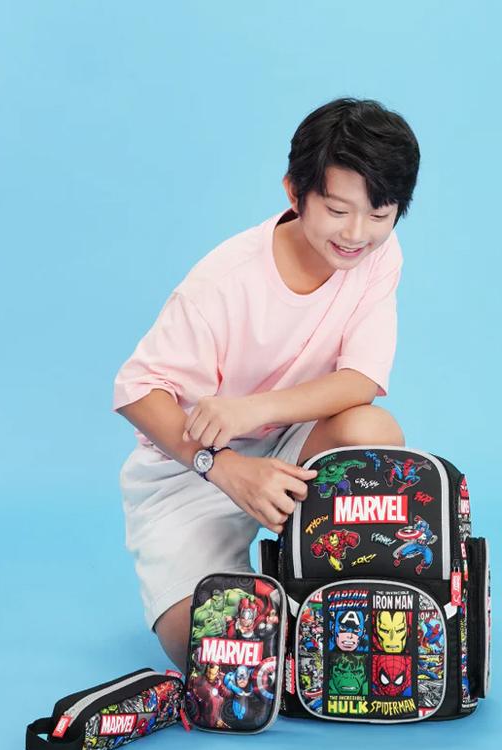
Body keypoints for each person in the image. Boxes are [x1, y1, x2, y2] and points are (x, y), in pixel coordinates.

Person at [113, 97, 420, 668]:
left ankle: (317, 585)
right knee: (212, 655)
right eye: (337, 210)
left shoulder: (378, 255)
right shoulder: (223, 282)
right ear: (294, 192)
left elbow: (361, 379)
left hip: (288, 447)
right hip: (190, 469)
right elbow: (136, 390)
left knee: (372, 433)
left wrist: (253, 409)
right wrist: (222, 465)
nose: (357, 233)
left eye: (380, 215)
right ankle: (266, 598)